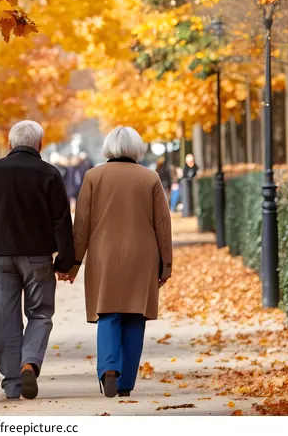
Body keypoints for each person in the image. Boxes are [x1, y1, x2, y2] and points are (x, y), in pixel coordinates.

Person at [0, 120, 75, 401]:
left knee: (5, 318)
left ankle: (13, 383)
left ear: (10, 143)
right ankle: (29, 363)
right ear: (40, 144)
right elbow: (62, 220)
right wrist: (65, 261)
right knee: (40, 313)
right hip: (38, 257)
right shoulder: (49, 173)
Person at [61, 125, 172, 398]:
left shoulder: (93, 176)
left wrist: (73, 264)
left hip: (104, 254)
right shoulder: (150, 178)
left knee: (108, 312)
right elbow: (162, 224)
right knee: (135, 316)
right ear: (137, 148)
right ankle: (125, 383)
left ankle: (109, 368)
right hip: (142, 254)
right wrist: (166, 264)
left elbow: (82, 225)